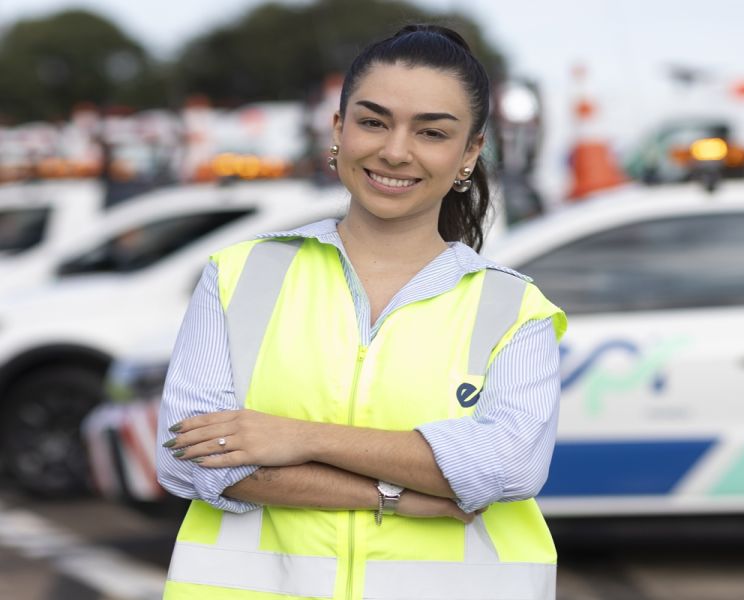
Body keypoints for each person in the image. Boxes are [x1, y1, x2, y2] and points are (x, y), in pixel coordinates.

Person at [155, 25, 566, 600]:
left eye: (431, 132)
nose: (395, 151)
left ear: (470, 152)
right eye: (373, 122)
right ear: (338, 129)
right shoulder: (238, 275)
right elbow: (188, 459)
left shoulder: (514, 307)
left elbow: (507, 466)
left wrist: (299, 437)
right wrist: (389, 495)